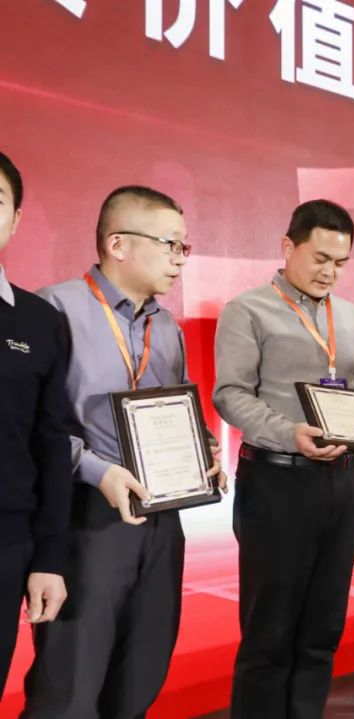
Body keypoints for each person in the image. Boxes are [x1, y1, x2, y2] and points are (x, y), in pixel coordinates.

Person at [24, 186, 226, 718]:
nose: (180, 259)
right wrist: (98, 472)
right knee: (70, 684)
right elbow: (35, 428)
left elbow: (177, 410)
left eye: (184, 246)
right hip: (86, 517)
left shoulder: (168, 327)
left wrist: (204, 452)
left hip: (162, 517)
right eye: (170, 244)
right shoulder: (54, 309)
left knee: (141, 672)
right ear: (118, 244)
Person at [213, 199, 354, 719]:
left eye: (341, 263)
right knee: (269, 632)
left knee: (322, 629)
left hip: (345, 481)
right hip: (278, 482)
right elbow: (230, 394)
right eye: (320, 258)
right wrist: (290, 433)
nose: (330, 272)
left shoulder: (349, 315)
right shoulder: (247, 310)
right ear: (288, 247)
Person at [0, 151, 72, 693]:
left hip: (6, 544)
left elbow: (51, 444)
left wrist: (49, 555)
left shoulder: (39, 322)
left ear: (15, 219)